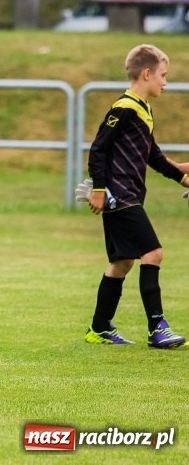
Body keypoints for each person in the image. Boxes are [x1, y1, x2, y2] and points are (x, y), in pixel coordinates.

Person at [82, 44, 187, 349]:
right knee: (153, 253)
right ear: (146, 73)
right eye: (163, 76)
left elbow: (151, 155)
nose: (165, 83)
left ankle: (99, 328)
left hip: (129, 195)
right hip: (120, 195)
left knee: (122, 262)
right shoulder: (124, 108)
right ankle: (158, 328)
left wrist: (181, 177)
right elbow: (98, 149)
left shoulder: (142, 109)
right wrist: (99, 190)